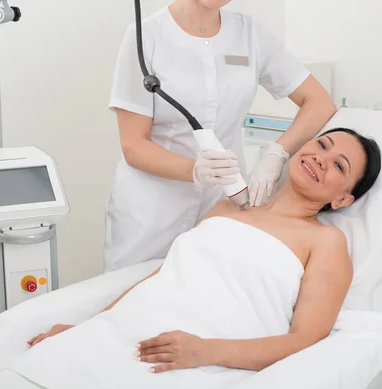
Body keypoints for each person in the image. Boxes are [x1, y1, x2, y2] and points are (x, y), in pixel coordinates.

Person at [26, 128, 381, 386]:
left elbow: (305, 341)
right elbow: (166, 275)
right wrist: (88, 326)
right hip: (131, 328)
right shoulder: (230, 204)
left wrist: (203, 352)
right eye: (322, 144)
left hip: (199, 357)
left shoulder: (325, 242)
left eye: (339, 165)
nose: (321, 157)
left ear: (343, 200)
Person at [104, 0, 337, 273]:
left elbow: (319, 102)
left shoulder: (249, 34)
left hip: (221, 207)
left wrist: (277, 153)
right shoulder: (146, 36)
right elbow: (134, 145)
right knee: (130, 300)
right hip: (150, 212)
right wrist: (193, 170)